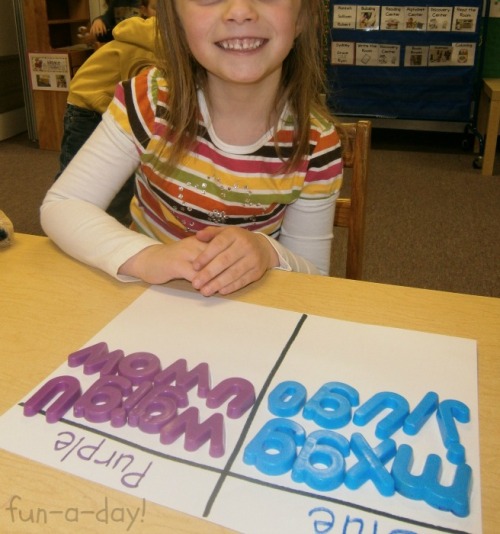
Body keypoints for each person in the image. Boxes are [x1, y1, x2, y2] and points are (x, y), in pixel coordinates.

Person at [41, 0, 343, 298]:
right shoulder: (150, 101)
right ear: (177, 19)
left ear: (302, 15)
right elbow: (63, 204)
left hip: (246, 318)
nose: (240, 11)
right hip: (145, 303)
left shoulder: (316, 143)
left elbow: (314, 278)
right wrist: (148, 257)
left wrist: (269, 252)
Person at [56, 13, 157, 223]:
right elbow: (135, 96)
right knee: (80, 180)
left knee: (121, 183)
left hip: (112, 107)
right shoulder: (150, 48)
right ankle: (70, 224)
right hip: (88, 108)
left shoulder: (159, 41)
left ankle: (108, 225)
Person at [88, 0, 155, 44]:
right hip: (122, 47)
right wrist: (99, 20)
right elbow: (107, 18)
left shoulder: (144, 3)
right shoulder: (116, 2)